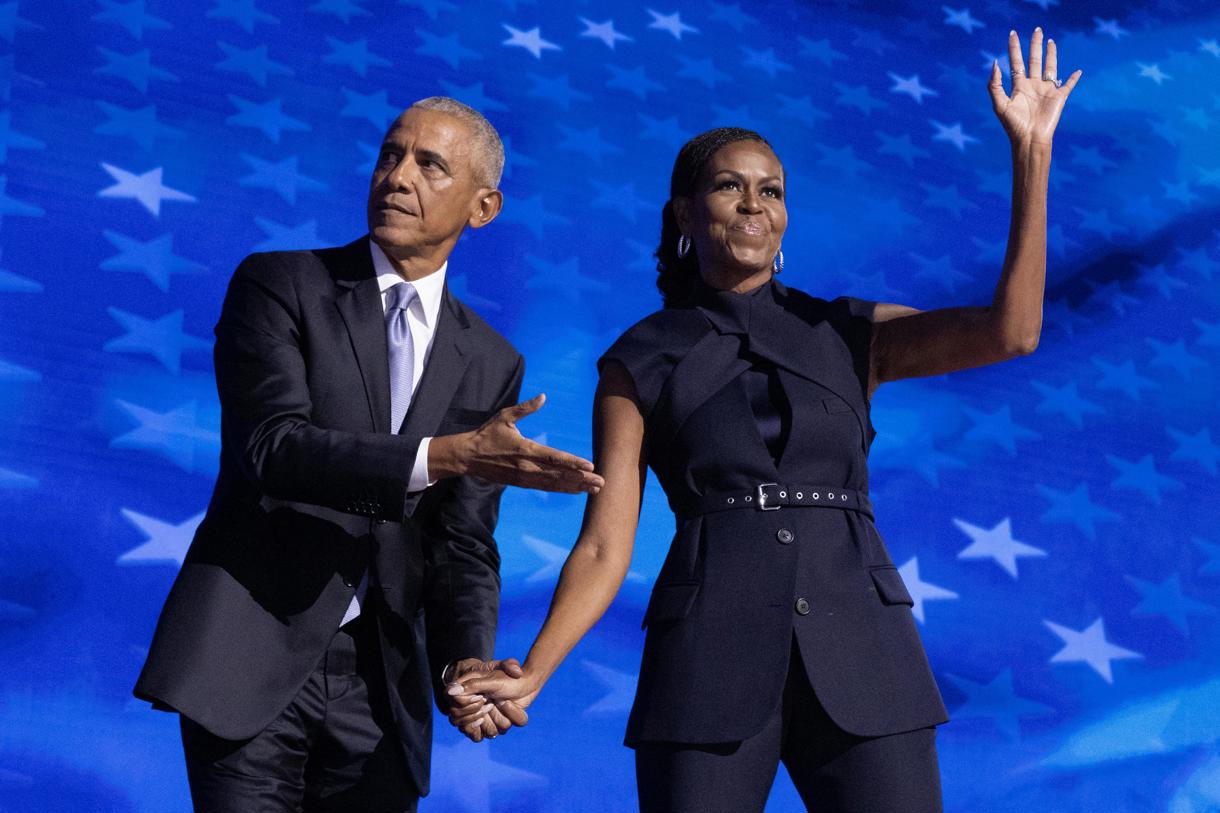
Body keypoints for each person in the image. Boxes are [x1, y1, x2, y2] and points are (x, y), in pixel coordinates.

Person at [450, 29, 1080, 812]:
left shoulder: (849, 331)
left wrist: (1032, 155)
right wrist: (535, 667)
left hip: (866, 655)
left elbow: (1011, 331)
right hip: (705, 662)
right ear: (685, 210)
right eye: (730, 187)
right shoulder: (638, 358)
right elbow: (608, 542)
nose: (754, 204)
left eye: (771, 190)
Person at [132, 96, 603, 812]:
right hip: (250, 658)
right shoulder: (281, 283)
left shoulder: (489, 360)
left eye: (429, 164)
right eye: (391, 154)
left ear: (483, 208)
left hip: (382, 695)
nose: (398, 176)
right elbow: (275, 447)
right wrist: (446, 454)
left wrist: (467, 661)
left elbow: (463, 543)